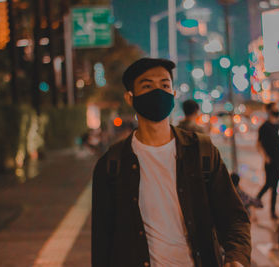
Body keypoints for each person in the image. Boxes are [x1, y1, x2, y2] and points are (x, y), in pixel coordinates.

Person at [91, 58, 251, 267]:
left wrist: (236, 258)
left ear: (173, 94)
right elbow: (102, 242)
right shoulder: (112, 164)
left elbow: (234, 218)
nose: (158, 91)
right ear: (130, 98)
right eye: (147, 86)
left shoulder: (200, 151)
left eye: (165, 85)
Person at [256, 102, 279, 220]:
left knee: (275, 186)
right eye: (274, 109)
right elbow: (258, 144)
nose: (276, 111)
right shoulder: (264, 127)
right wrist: (265, 157)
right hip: (270, 161)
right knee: (269, 183)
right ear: (268, 111)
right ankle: (256, 199)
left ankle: (272, 212)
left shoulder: (278, 126)